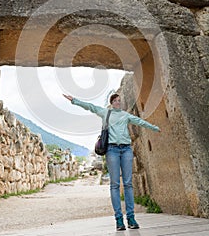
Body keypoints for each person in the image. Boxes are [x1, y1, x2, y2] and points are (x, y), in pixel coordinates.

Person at [63, 93, 160, 231]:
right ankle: (119, 220)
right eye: (115, 101)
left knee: (128, 184)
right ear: (111, 102)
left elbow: (140, 121)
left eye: (119, 101)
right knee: (115, 184)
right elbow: (90, 107)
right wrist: (74, 101)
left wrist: (154, 127)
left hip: (126, 150)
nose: (118, 103)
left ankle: (131, 218)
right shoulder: (105, 113)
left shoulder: (125, 115)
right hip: (112, 150)